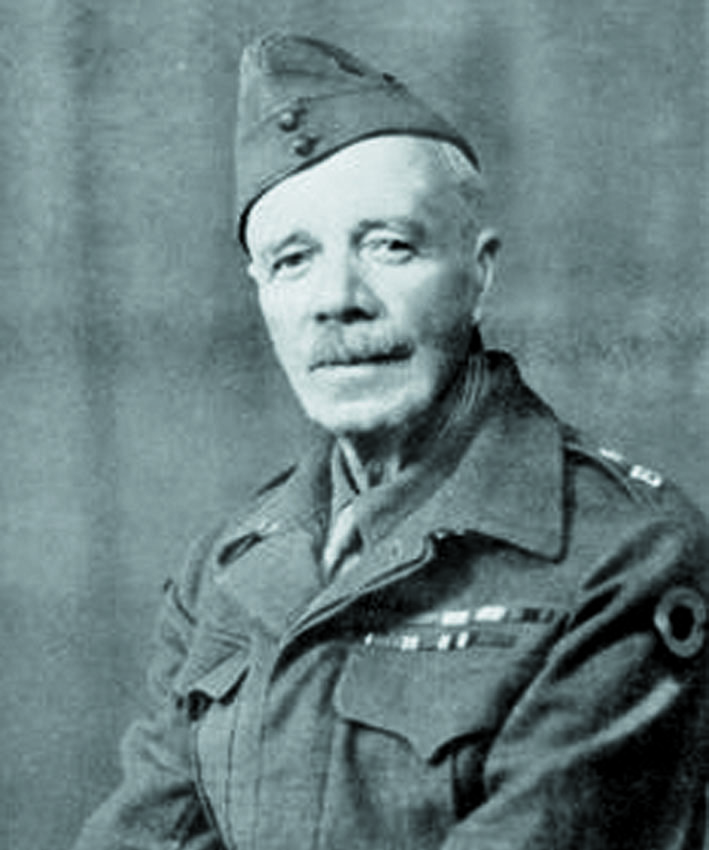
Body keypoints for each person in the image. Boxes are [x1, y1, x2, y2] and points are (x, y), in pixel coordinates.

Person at [73, 32, 709, 850]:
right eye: (292, 260)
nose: (337, 299)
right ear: (261, 294)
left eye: (389, 246)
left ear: (479, 272)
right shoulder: (226, 569)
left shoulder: (623, 556)